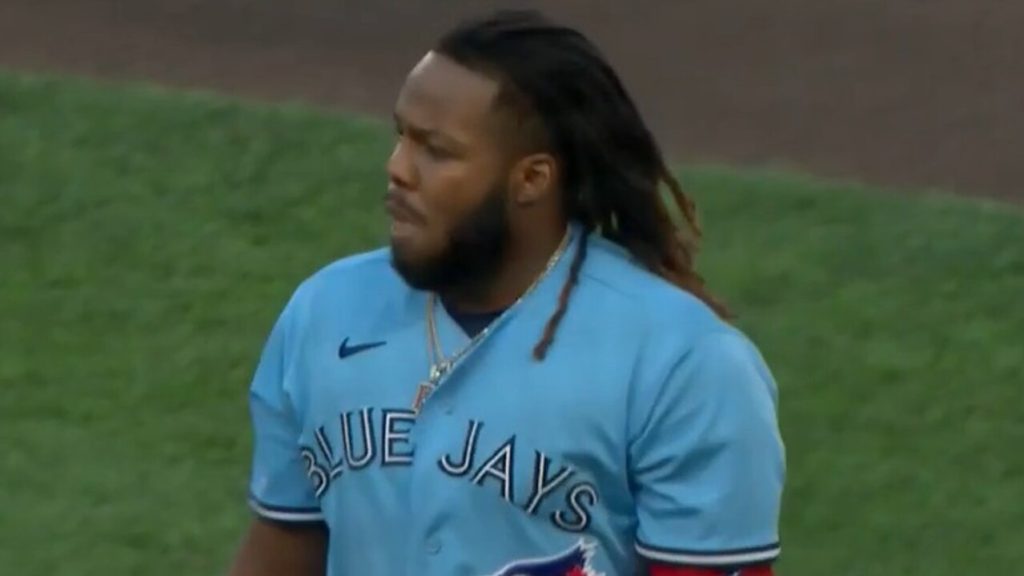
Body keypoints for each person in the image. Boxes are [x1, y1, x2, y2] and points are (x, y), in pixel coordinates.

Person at [228, 9, 784, 576]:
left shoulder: (684, 365)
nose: (397, 168)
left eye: (436, 150)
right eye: (401, 137)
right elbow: (282, 548)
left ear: (532, 179)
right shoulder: (326, 312)